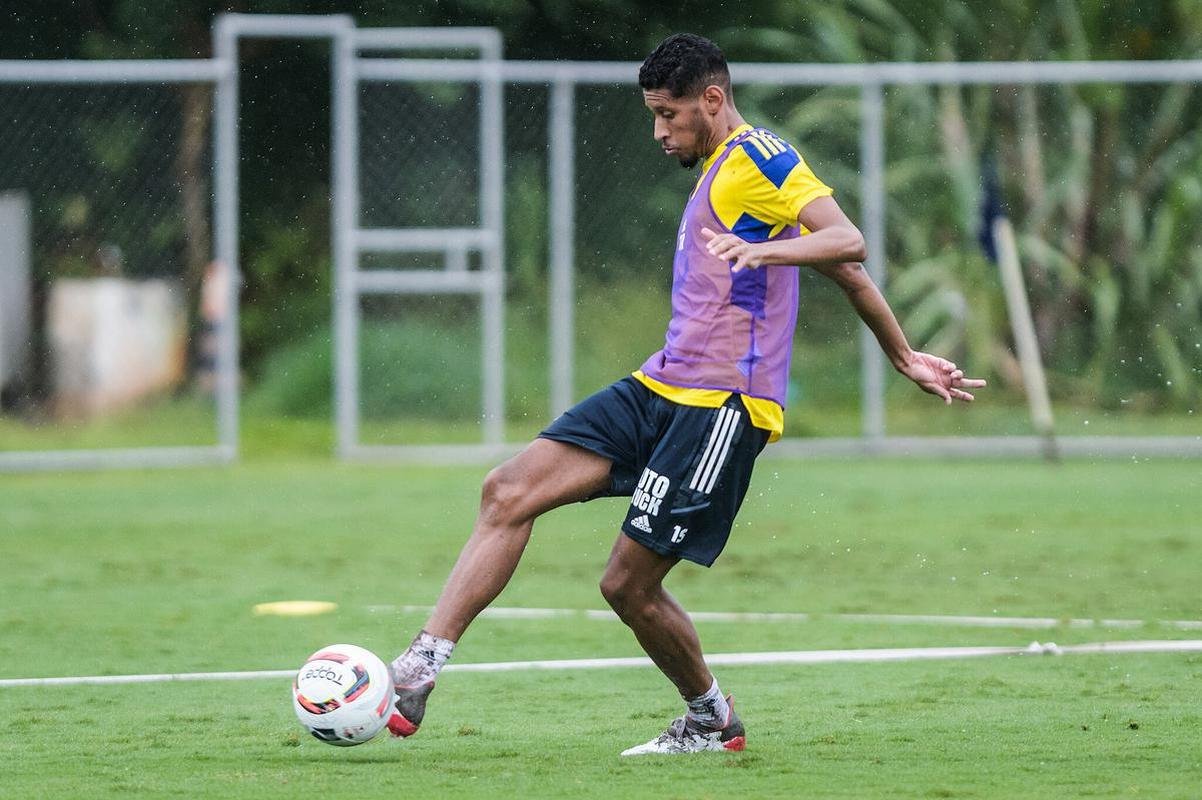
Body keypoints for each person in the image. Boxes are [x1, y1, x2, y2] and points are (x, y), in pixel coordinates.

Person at [386, 32, 985, 756]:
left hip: (723, 408)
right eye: (653, 115)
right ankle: (420, 667)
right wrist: (902, 354)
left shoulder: (762, 157)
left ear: (712, 99)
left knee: (626, 587)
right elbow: (848, 277)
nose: (659, 131)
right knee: (507, 491)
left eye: (669, 114)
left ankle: (710, 720)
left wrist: (769, 250)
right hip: (660, 385)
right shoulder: (721, 172)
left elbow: (847, 244)